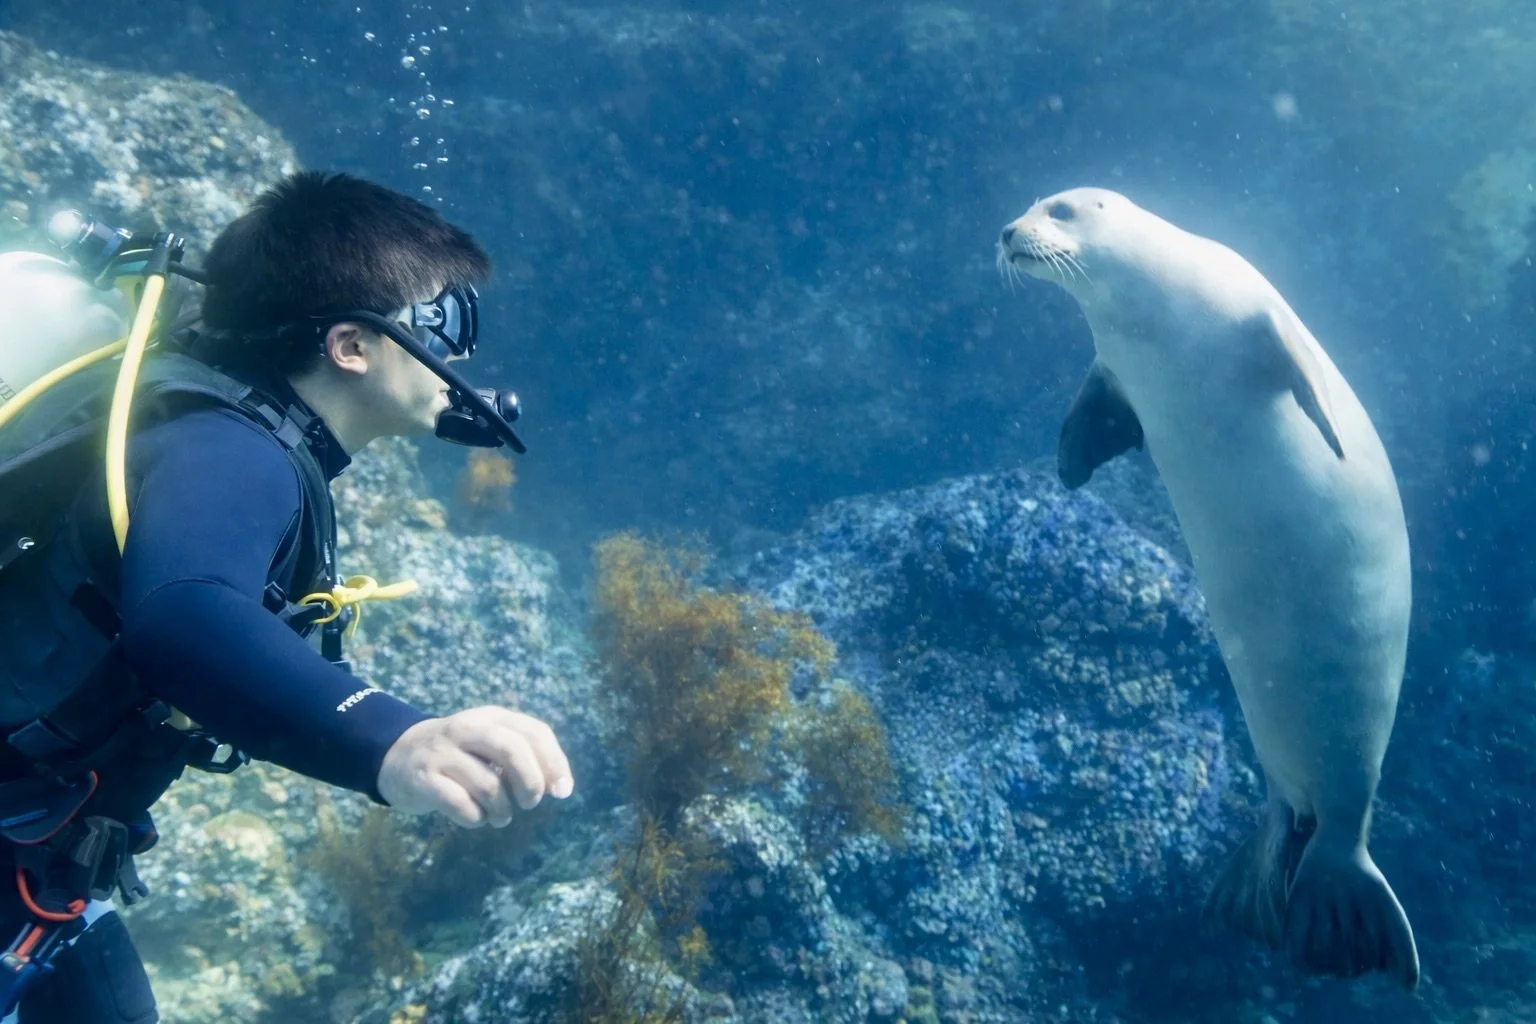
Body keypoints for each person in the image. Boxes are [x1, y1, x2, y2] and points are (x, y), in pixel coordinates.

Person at [0, 171, 574, 1022]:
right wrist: (395, 739)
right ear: (351, 345)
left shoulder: (201, 421)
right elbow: (185, 615)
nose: (458, 355)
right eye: (446, 320)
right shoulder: (235, 451)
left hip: (43, 867)